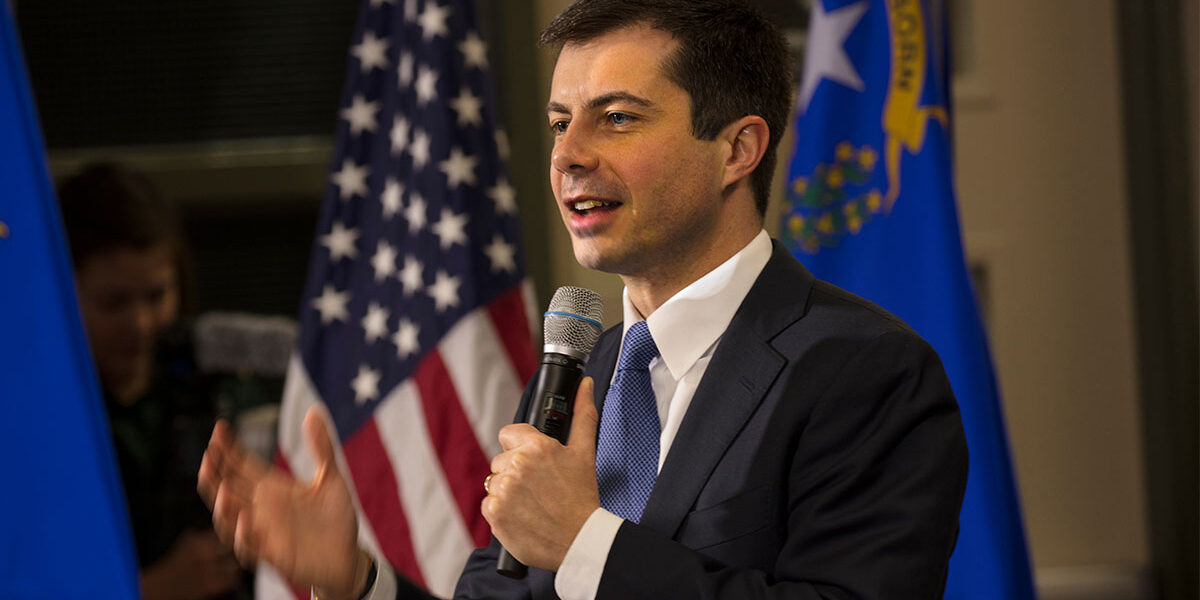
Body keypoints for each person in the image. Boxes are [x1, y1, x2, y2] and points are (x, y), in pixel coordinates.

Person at [197, 1, 969, 598]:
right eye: (561, 122)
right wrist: (355, 579)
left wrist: (585, 543)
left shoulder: (869, 375)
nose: (568, 155)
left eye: (619, 119)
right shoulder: (575, 376)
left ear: (738, 149)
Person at [60, 163, 245, 600]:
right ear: (63, 291)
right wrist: (151, 590)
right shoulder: (37, 418)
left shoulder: (213, 386)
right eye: (114, 302)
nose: (141, 325)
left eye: (156, 296)